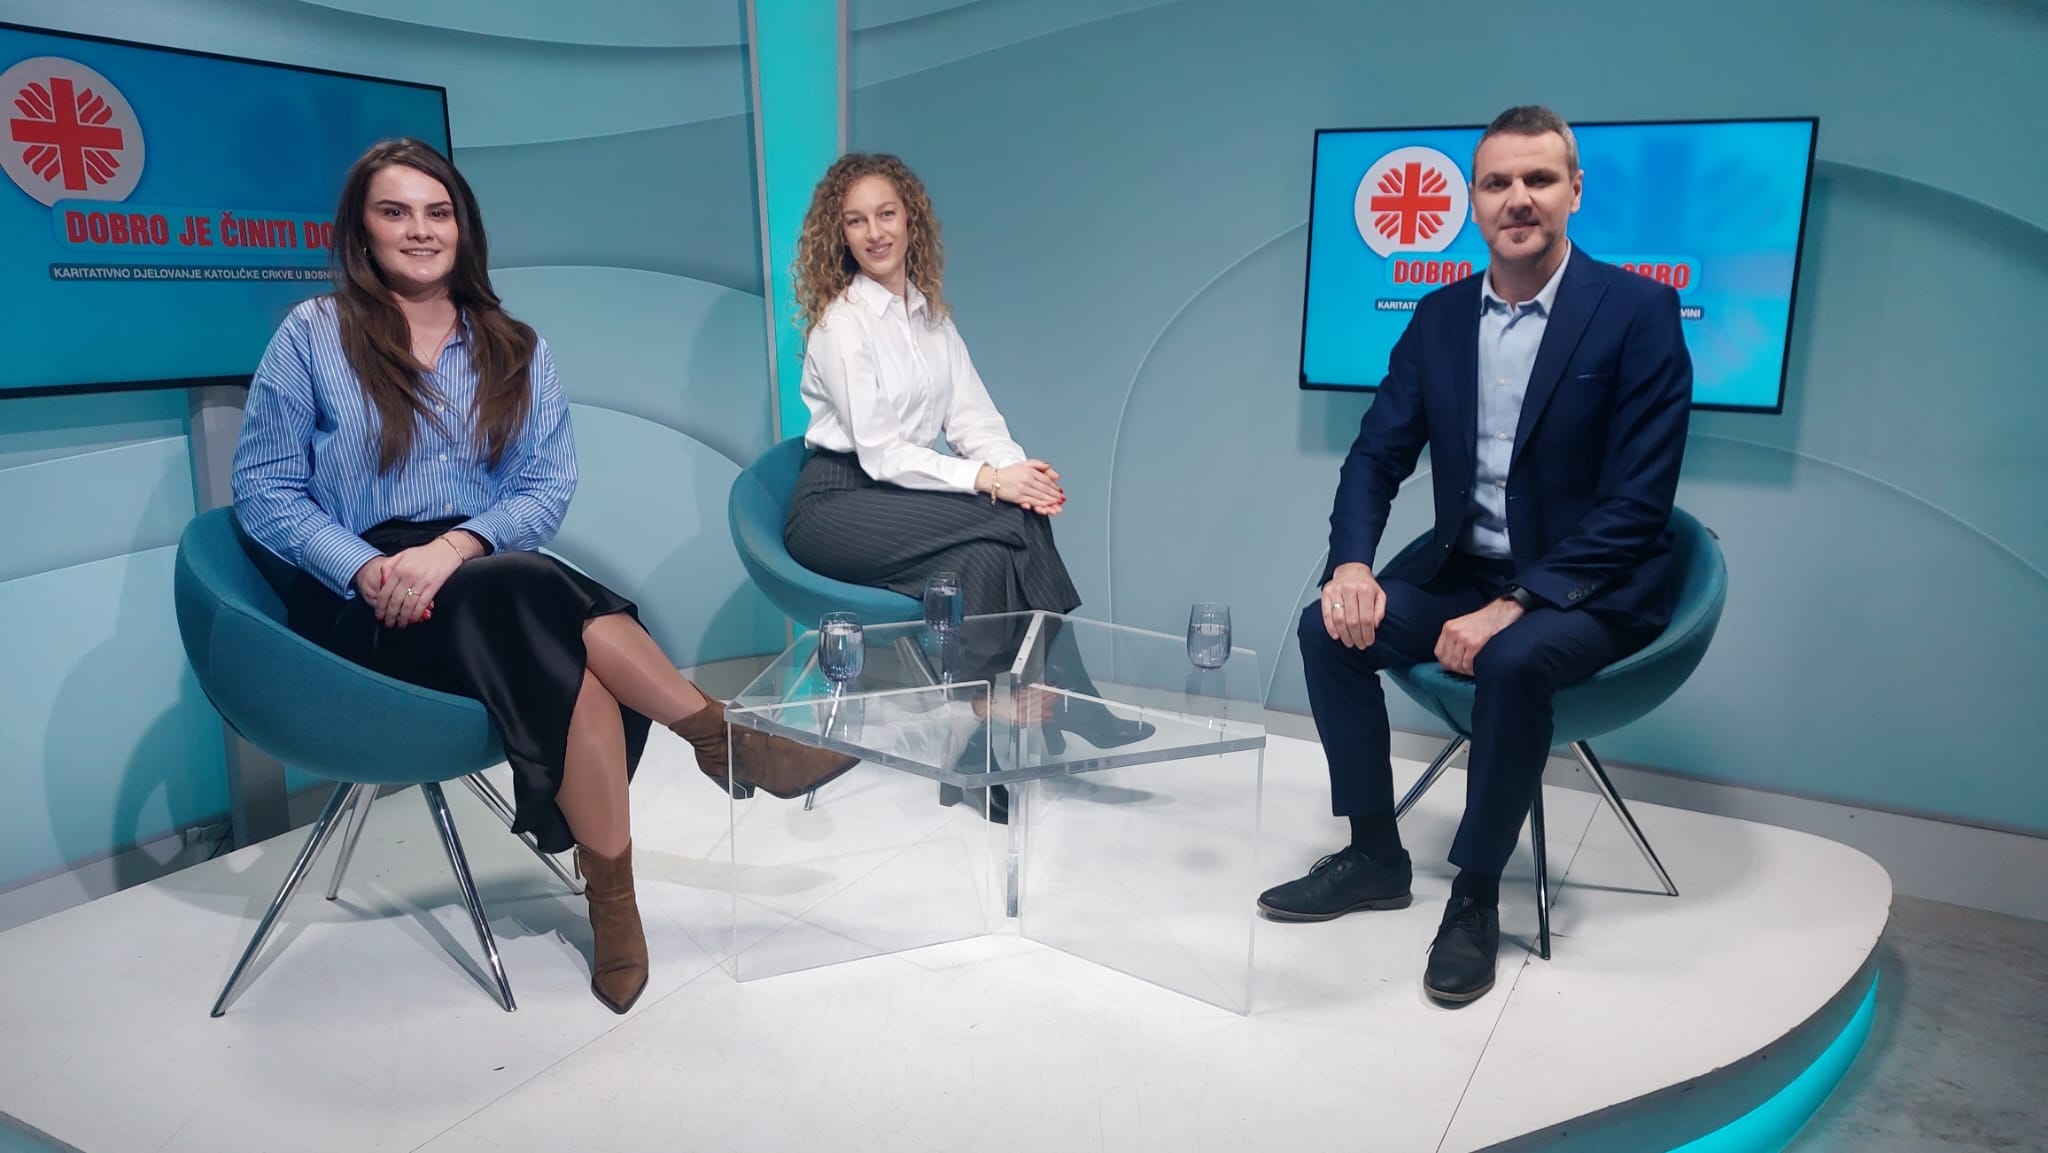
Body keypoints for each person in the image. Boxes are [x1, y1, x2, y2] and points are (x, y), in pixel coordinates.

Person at [230, 138, 854, 1015]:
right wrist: (365, 567)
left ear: (464, 228)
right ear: (362, 231)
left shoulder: (513, 347)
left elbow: (544, 488)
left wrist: (455, 547)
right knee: (537, 594)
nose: (419, 230)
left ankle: (617, 903)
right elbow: (263, 490)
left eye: (438, 212)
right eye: (394, 212)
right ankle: (720, 738)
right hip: (364, 603)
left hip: (482, 578)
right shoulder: (313, 334)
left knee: (550, 632)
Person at [1256, 107, 1693, 1006]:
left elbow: (1638, 503)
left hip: (1590, 586)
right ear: (1473, 200)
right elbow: (1376, 455)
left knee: (1513, 659)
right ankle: (1375, 854)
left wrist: (1518, 602)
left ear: (1575, 190)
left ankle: (1476, 894)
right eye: (1497, 182)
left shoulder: (1638, 312)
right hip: (1465, 572)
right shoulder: (1440, 316)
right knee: (1327, 630)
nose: (1517, 198)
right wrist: (1351, 565)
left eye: (1539, 179)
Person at [781, 152, 1150, 817]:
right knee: (1007, 518)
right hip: (835, 504)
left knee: (987, 553)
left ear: (911, 220)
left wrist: (1018, 473)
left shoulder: (933, 320)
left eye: (886, 214)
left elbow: (974, 420)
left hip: (899, 499)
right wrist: (993, 483)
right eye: (857, 221)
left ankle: (974, 755)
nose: (875, 232)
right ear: (840, 235)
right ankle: (1063, 696)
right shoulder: (842, 325)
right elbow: (882, 454)